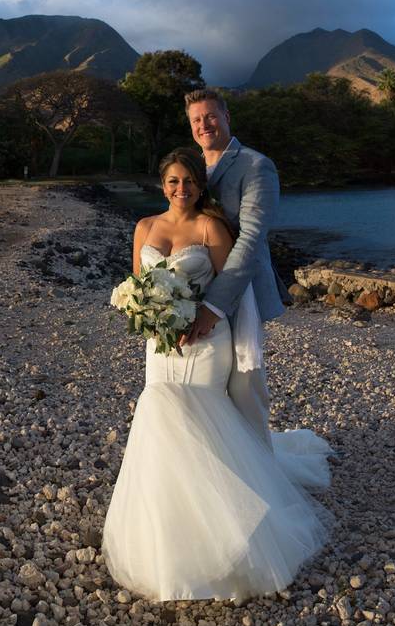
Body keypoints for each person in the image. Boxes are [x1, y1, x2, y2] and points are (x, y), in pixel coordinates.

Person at [101, 148, 332, 602]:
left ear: (199, 186)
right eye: (173, 182)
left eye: (189, 181)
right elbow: (137, 287)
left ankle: (233, 534)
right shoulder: (144, 228)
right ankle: (169, 530)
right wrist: (148, 316)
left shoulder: (211, 227)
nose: (181, 189)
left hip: (206, 341)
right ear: (161, 184)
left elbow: (232, 287)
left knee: (204, 423)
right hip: (161, 345)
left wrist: (204, 320)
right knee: (160, 417)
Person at [182, 88, 291, 451]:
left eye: (210, 116)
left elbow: (251, 239)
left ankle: (261, 469)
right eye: (196, 120)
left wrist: (213, 307)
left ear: (227, 117)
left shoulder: (256, 166)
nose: (204, 125)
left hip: (238, 292)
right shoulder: (193, 169)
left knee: (245, 384)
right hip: (196, 288)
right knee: (205, 380)